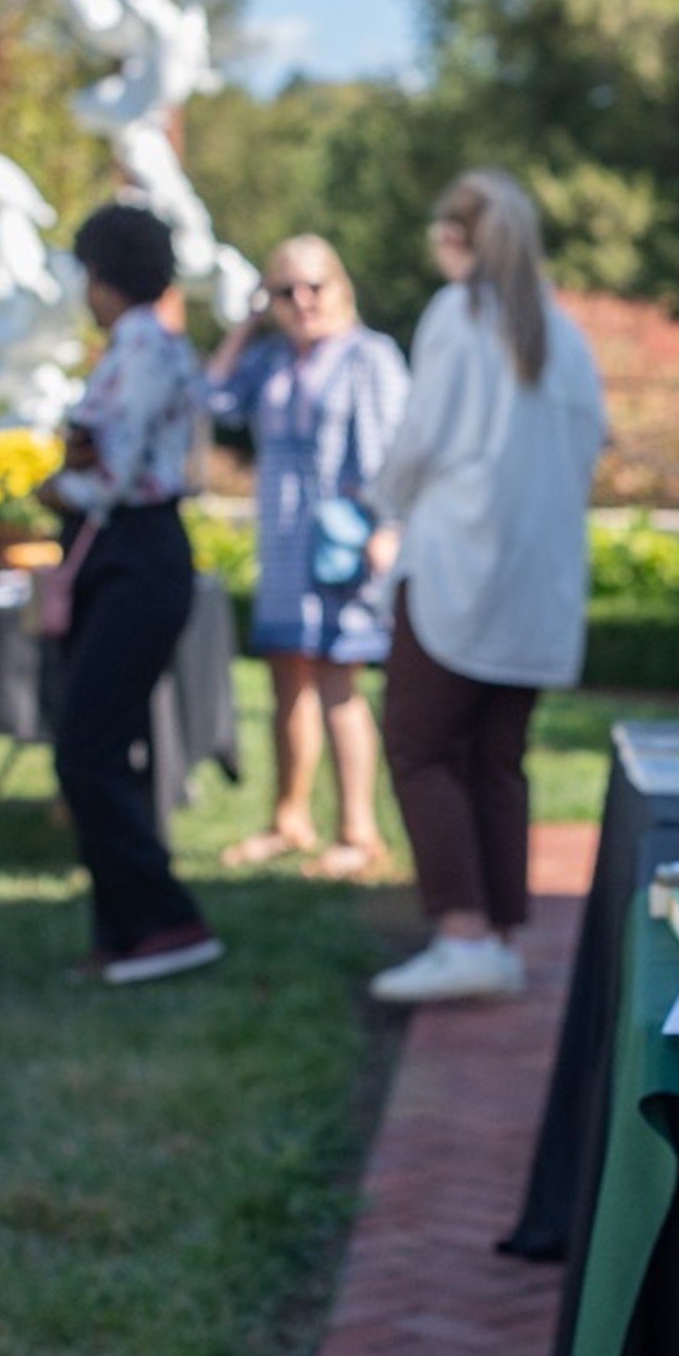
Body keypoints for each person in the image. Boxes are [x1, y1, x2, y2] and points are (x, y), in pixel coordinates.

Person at [361, 170, 606, 1004]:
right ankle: (498, 935)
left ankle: (464, 932)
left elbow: (417, 440)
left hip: (460, 567)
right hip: (538, 580)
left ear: (456, 239)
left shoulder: (459, 316)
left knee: (421, 747)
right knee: (497, 760)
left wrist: (380, 502)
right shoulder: (564, 334)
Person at [40, 202, 222, 984]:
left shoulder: (145, 346)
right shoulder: (139, 346)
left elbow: (109, 476)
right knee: (102, 748)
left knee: (87, 750)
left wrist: (57, 485)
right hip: (129, 554)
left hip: (137, 552)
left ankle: (167, 919)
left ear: (103, 275)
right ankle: (123, 933)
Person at [206, 235, 408, 878]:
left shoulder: (368, 357)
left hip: (341, 541)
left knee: (338, 681)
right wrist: (246, 320)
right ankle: (289, 818)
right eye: (285, 291)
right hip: (283, 542)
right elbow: (211, 400)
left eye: (314, 286)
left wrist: (387, 528)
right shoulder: (270, 361)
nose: (302, 301)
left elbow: (392, 453)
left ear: (340, 287)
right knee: (286, 678)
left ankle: (359, 830)